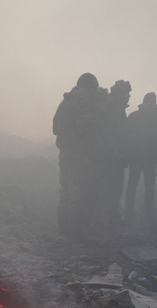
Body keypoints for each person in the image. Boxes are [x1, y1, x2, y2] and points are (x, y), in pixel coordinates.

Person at [53, 73, 101, 241]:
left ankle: (63, 231)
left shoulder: (66, 101)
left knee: (66, 192)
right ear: (91, 87)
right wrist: (93, 149)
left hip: (65, 152)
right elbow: (87, 129)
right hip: (79, 154)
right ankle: (76, 232)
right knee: (78, 193)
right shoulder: (84, 101)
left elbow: (55, 127)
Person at [96, 80, 133, 233]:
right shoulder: (112, 108)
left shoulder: (115, 107)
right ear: (119, 93)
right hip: (111, 155)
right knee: (110, 187)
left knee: (113, 187)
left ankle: (110, 216)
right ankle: (105, 218)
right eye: (127, 93)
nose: (129, 97)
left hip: (114, 154)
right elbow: (108, 131)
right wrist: (115, 149)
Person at [126, 92, 157, 224]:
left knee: (132, 186)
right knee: (149, 187)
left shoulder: (134, 116)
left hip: (137, 156)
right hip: (150, 157)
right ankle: (147, 216)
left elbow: (126, 136)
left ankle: (129, 215)